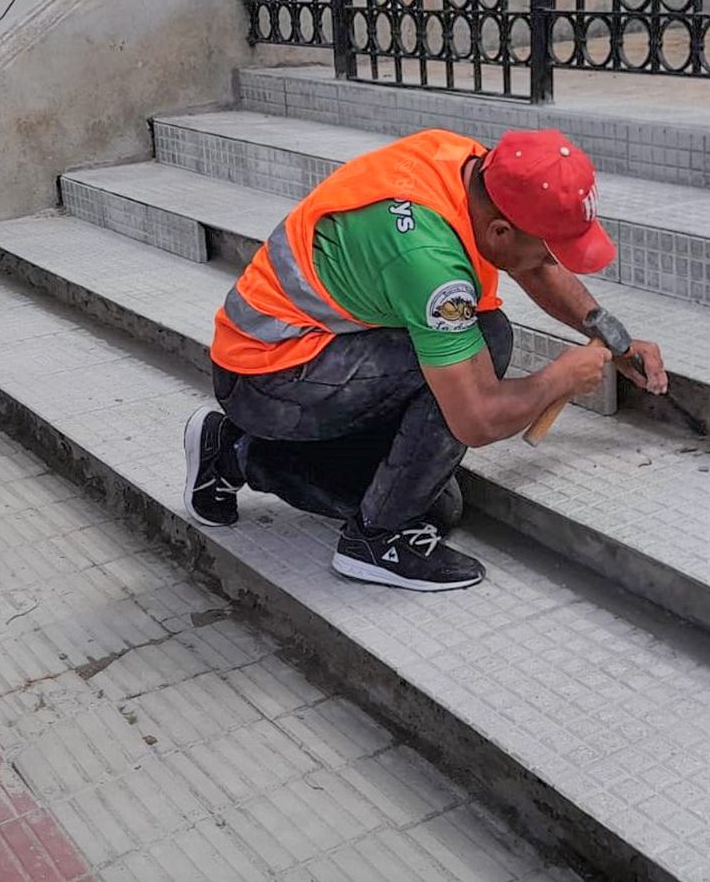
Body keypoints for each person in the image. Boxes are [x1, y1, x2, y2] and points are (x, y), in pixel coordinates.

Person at [182, 127, 667, 592]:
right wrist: (560, 378)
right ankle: (375, 540)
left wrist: (614, 339)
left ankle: (231, 451)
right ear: (500, 231)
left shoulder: (468, 166)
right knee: (483, 346)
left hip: (305, 350)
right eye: (551, 250)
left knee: (440, 502)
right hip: (270, 377)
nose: (553, 262)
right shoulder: (429, 263)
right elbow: (477, 418)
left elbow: (532, 265)